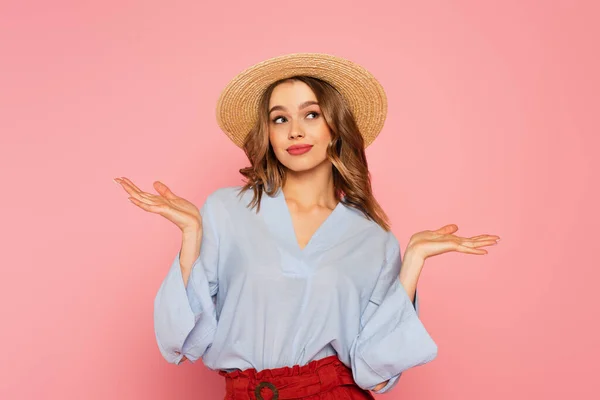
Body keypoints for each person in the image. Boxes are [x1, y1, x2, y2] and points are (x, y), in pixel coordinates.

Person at [115, 53, 500, 399]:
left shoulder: (373, 237)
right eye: (280, 118)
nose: (294, 131)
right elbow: (183, 341)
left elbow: (374, 373)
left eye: (311, 114)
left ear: (336, 128)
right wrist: (191, 237)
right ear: (268, 134)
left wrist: (413, 261)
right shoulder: (225, 210)